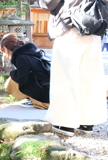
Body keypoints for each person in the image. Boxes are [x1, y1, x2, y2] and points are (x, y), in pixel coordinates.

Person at [38, 0, 107, 136]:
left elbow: (48, 3)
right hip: (92, 28)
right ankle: (87, 122)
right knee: (89, 78)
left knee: (64, 78)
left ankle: (65, 123)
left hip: (69, 29)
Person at [0, 33, 50, 109]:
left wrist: (12, 74)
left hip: (44, 92)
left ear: (6, 49)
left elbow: (22, 79)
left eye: (4, 51)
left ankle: (35, 100)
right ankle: (32, 98)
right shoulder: (30, 52)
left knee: (11, 81)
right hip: (48, 89)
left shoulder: (21, 57)